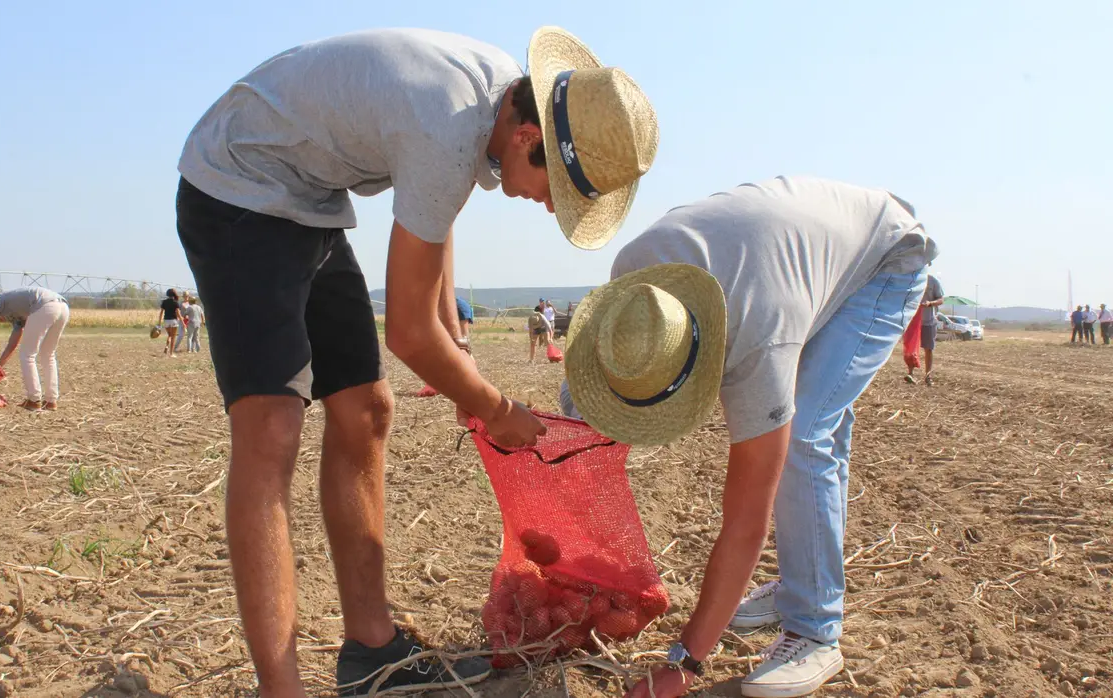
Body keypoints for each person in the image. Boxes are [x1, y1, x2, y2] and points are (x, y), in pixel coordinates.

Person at [173, 26, 658, 698]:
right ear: (526, 139)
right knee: (271, 426)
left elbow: (441, 209)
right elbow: (406, 331)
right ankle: (278, 689)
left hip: (307, 202)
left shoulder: (491, 99)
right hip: (238, 186)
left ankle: (370, 650)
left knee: (366, 408)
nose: (551, 209)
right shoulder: (449, 123)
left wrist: (454, 345)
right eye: (560, 193)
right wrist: (495, 405)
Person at [561, 177, 937, 698]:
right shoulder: (635, 284)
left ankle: (814, 629)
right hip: (792, 258)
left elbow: (746, 521)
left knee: (805, 437)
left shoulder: (759, 345)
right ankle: (800, 579)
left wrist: (684, 661)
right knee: (815, 425)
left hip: (884, 259)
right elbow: (585, 395)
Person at [0, 287, 71, 411]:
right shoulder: (19, 313)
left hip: (45, 305)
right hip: (63, 307)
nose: (0, 320)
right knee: (48, 354)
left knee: (27, 355)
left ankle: (34, 400)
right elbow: (13, 344)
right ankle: (51, 401)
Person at [907, 274, 944, 385]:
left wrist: (930, 303)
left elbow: (941, 299)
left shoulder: (933, 281)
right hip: (912, 320)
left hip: (928, 321)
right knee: (911, 348)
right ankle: (910, 374)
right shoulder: (911, 278)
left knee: (928, 348)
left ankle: (928, 376)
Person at [157, 289, 183, 358]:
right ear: (174, 294)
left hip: (166, 321)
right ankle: (171, 353)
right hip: (174, 321)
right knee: (173, 337)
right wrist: (183, 323)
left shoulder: (164, 302)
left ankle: (166, 346)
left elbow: (161, 312)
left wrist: (159, 322)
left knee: (169, 335)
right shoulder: (175, 302)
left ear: (167, 294)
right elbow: (178, 313)